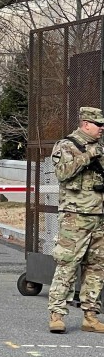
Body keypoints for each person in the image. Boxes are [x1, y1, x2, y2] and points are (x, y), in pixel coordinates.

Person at [45, 106, 104, 334]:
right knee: (67, 265)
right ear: (85, 124)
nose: (101, 129)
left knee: (97, 267)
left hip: (99, 215)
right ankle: (57, 314)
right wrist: (88, 156)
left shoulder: (100, 147)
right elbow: (62, 173)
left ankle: (90, 316)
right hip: (75, 217)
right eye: (98, 125)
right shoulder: (66, 145)